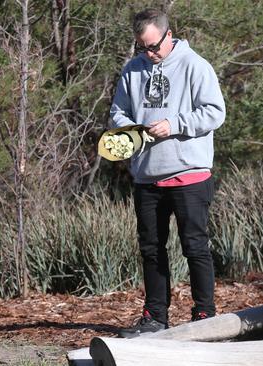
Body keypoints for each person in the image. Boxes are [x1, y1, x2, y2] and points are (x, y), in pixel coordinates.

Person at [110, 8, 226, 338]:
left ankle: (204, 315)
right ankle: (155, 318)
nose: (148, 53)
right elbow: (118, 113)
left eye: (153, 46)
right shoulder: (132, 70)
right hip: (147, 176)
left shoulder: (196, 66)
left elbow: (215, 113)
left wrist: (174, 125)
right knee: (151, 249)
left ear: (168, 35)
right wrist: (133, 128)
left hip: (190, 174)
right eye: (141, 47)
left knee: (194, 246)